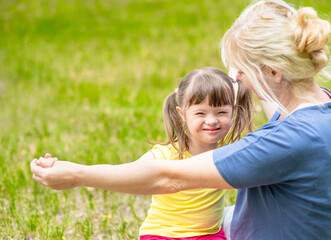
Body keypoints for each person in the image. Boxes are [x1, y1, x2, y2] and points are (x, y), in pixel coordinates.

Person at [31, 0, 331, 239]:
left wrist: (76, 174)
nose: (237, 79)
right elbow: (272, 95)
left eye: (242, 70)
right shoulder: (316, 104)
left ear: (273, 71)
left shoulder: (285, 141)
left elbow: (167, 178)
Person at [34, 67, 253, 240]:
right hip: (162, 235)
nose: (212, 120)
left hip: (209, 234)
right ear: (182, 114)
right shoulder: (165, 155)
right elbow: (128, 173)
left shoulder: (228, 153)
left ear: (233, 112)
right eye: (200, 113)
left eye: (221, 112)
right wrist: (70, 171)